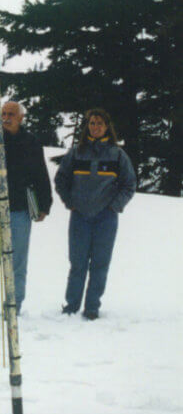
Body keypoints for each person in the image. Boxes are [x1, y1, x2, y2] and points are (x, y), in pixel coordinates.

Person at [0, 101, 52, 319]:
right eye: (3, 113)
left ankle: (13, 307)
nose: (6, 117)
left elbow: (41, 174)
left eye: (11, 114)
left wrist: (45, 205)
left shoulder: (31, 143)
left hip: (21, 211)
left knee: (18, 264)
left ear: (21, 117)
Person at [55, 108, 136, 319]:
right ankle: (71, 306)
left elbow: (129, 185)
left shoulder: (117, 154)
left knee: (100, 264)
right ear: (87, 126)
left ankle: (92, 307)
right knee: (78, 263)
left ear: (107, 126)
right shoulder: (76, 153)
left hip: (106, 217)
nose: (96, 127)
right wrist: (70, 201)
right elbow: (61, 179)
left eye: (100, 123)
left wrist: (114, 206)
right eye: (92, 123)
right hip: (80, 216)